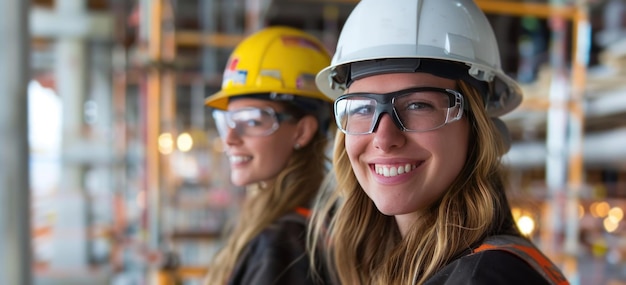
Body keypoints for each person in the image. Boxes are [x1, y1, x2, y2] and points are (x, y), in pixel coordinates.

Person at [308, 0, 570, 284]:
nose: (384, 139)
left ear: (478, 128)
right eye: (362, 108)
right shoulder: (437, 267)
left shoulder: (485, 277)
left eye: (419, 105)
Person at [203, 26, 334, 285]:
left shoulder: (284, 243)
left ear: (302, 131)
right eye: (226, 121)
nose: (229, 138)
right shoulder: (316, 219)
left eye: (251, 121)